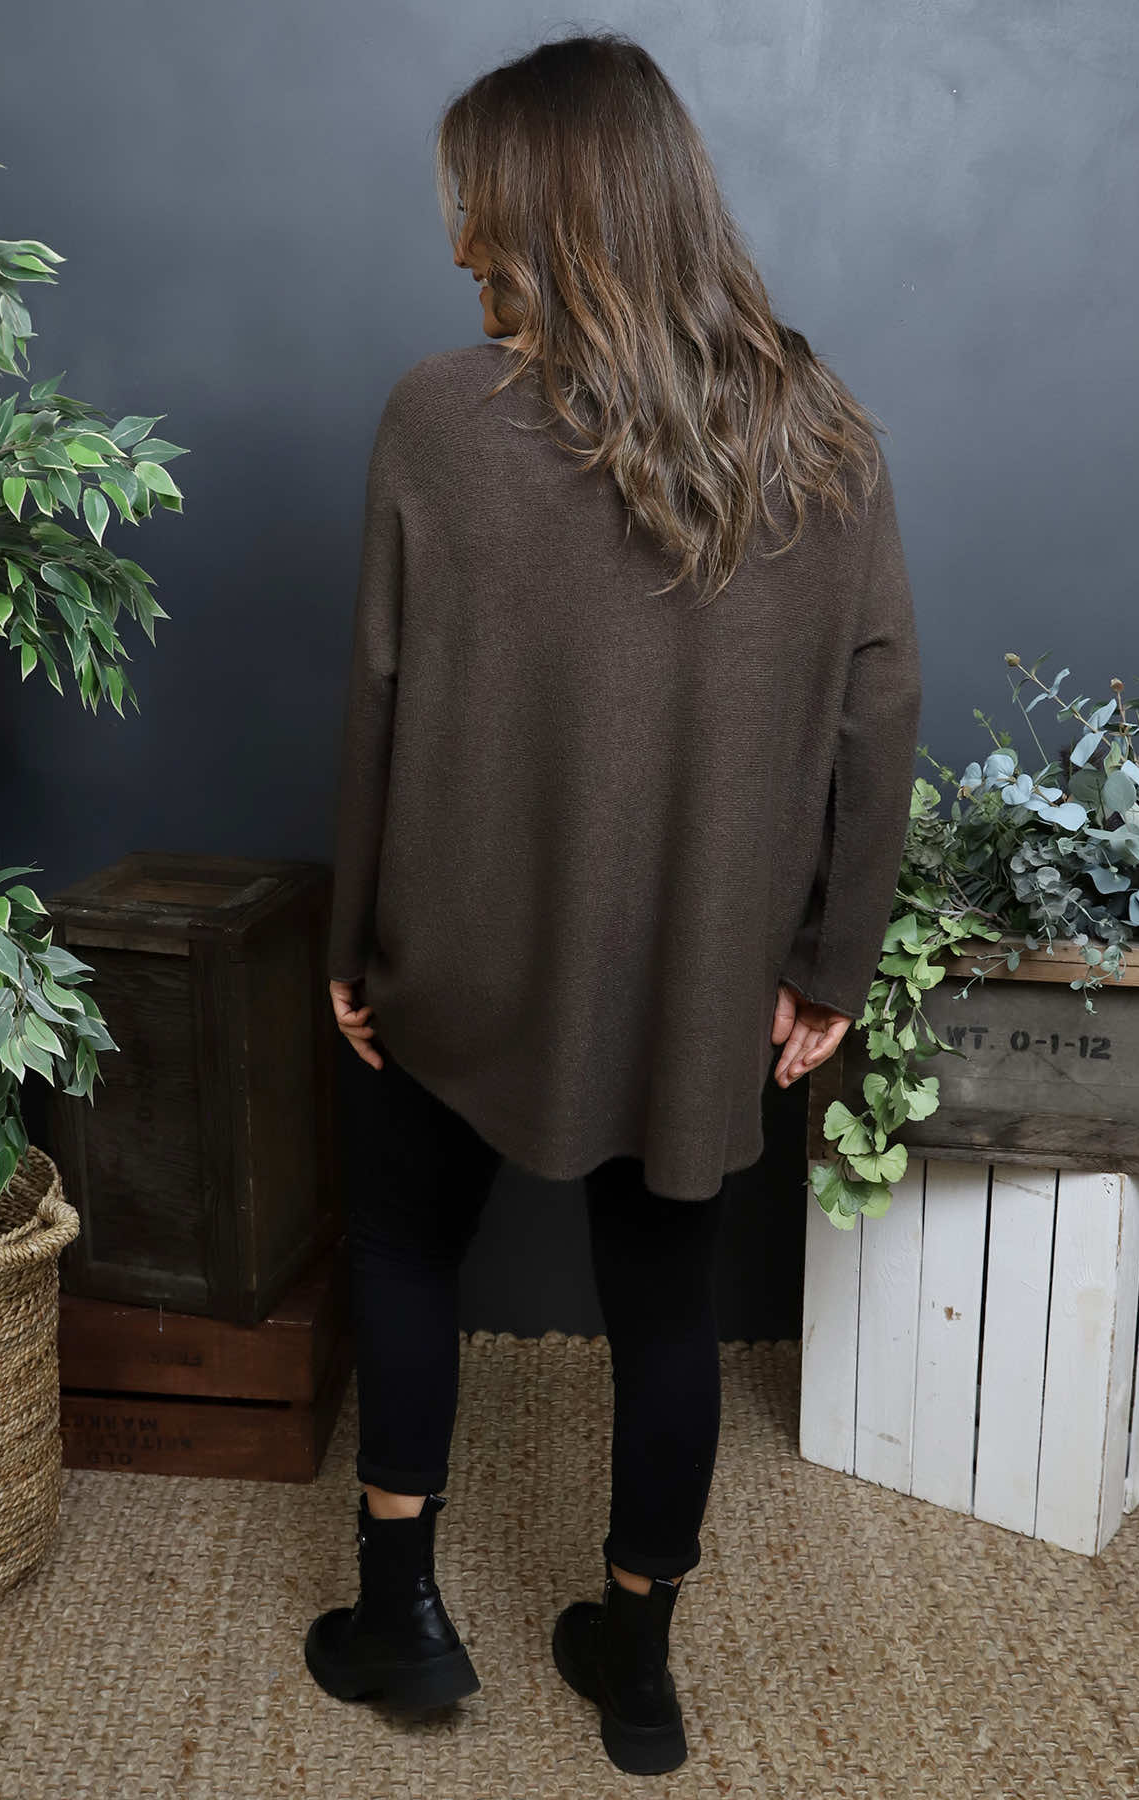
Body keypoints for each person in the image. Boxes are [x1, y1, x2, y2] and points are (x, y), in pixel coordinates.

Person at [303, 30, 922, 1778]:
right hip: (698, 980)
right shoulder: (823, 429)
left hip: (459, 960)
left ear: (545, 210)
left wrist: (353, 947)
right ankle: (637, 1666)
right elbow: (880, 705)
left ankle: (402, 1618)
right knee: (668, 1306)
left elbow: (378, 697)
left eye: (477, 207)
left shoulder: (438, 417)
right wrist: (829, 967)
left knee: (402, 1246)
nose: (457, 246)